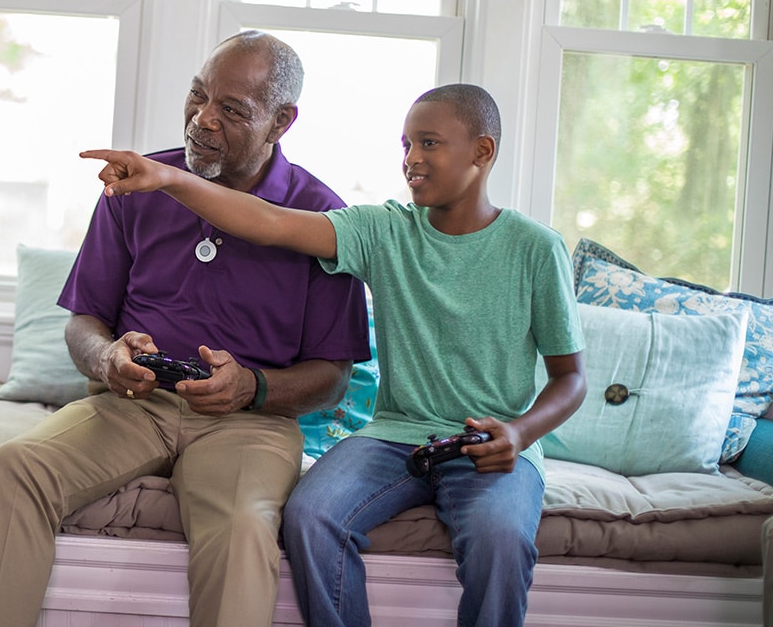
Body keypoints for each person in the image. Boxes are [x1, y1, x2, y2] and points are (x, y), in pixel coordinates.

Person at [82, 83, 588, 627]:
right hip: (395, 436)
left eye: (429, 144)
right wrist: (168, 178)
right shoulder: (384, 231)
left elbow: (571, 379)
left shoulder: (536, 249)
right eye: (405, 145)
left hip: (491, 443)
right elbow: (270, 221)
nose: (411, 160)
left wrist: (519, 433)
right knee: (310, 515)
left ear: (482, 152)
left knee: (501, 540)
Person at [0, 30, 372, 627]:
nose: (201, 120)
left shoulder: (322, 218)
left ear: (281, 122)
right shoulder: (136, 185)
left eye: (231, 110)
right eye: (197, 95)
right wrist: (106, 360)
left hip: (248, 423)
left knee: (241, 527)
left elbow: (332, 377)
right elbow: (84, 323)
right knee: (16, 466)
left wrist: (252, 387)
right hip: (134, 403)